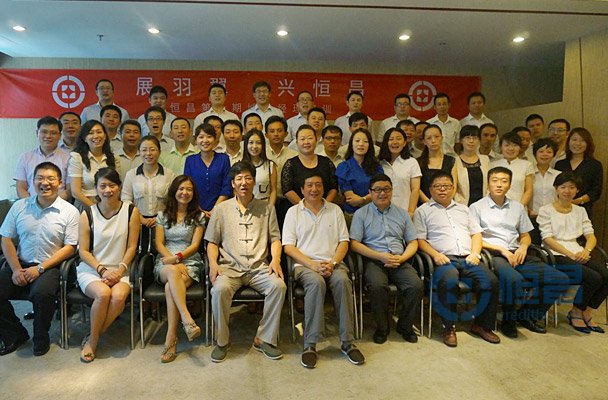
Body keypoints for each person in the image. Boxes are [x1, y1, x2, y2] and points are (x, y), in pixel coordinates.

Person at [469, 167, 569, 338]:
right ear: (488, 183)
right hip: (493, 255)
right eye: (495, 180)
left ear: (509, 185)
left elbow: (525, 235)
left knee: (560, 279)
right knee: (514, 280)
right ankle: (508, 321)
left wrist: (523, 247)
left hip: (518, 252)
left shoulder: (517, 207)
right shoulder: (476, 207)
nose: (499, 185)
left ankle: (527, 316)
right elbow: (474, 237)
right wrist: (501, 250)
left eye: (504, 181)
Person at [205, 161, 286, 362]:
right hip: (229, 268)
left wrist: (275, 260)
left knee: (278, 286)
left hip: (259, 268)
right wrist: (213, 264)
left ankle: (264, 339)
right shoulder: (221, 209)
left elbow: (275, 239)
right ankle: (222, 341)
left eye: (248, 178)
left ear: (254, 181)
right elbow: (212, 241)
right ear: (233, 183)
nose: (244, 182)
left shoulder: (267, 208)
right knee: (219, 290)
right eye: (239, 179)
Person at [283, 173, 364, 368]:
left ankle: (347, 342)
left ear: (323, 188)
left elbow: (344, 242)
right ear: (302, 189)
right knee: (316, 282)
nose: (314, 189)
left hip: (333, 263)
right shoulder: (293, 212)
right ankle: (310, 344)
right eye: (309, 185)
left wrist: (333, 263)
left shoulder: (335, 210)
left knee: (342, 281)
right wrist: (312, 265)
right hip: (305, 265)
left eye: (318, 185)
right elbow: (288, 247)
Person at [0, 162, 79, 356]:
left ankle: (41, 337)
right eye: (40, 178)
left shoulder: (70, 211)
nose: (45, 183)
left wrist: (40, 268)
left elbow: (71, 247)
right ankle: (15, 334)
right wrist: (16, 269)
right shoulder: (19, 206)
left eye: (51, 178)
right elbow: (6, 239)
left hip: (51, 266)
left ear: (60, 183)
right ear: (32, 181)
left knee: (41, 294)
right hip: (20, 263)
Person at [414, 171, 499, 347]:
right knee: (449, 281)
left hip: (468, 258)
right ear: (430, 189)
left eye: (446, 186)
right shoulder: (423, 211)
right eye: (437, 186)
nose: (442, 189)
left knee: (491, 281)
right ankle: (449, 327)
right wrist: (435, 255)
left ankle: (482, 325)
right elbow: (420, 240)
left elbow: (476, 234)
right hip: (442, 259)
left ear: (453, 188)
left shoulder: (464, 209)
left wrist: (475, 253)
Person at [77, 168, 140, 362]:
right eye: (102, 186)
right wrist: (102, 270)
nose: (107, 190)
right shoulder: (87, 213)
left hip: (121, 268)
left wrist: (119, 270)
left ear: (119, 187)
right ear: (96, 189)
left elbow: (132, 247)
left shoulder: (131, 211)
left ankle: (93, 335)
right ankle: (93, 341)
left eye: (112, 185)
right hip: (92, 269)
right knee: (103, 294)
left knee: (118, 297)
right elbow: (83, 251)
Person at [350, 174, 422, 344]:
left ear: (391, 191)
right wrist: (380, 256)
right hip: (374, 259)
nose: (382, 193)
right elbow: (354, 244)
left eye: (386, 189)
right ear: (370, 192)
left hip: (399, 260)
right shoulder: (361, 214)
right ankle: (382, 328)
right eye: (377, 190)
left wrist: (402, 258)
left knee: (416, 285)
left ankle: (405, 326)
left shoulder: (402, 214)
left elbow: (413, 241)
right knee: (377, 286)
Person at [537, 172, 608, 334]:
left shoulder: (580, 211)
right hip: (555, 254)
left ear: (577, 190)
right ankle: (576, 311)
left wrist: (586, 251)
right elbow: (547, 238)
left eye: (572, 187)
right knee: (593, 277)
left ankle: (587, 311)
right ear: (556, 189)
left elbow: (590, 235)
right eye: (563, 187)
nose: (567, 191)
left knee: (606, 275)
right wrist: (570, 254)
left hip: (578, 252)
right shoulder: (546, 210)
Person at [153, 175, 205, 363]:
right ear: (174, 191)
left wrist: (179, 258)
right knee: (172, 272)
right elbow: (159, 243)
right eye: (181, 189)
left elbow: (195, 245)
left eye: (189, 189)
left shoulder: (199, 216)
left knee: (170, 288)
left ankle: (171, 337)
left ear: (194, 193)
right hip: (165, 261)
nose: (185, 192)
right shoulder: (162, 215)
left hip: (189, 261)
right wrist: (172, 260)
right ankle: (186, 318)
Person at [122, 135, 176, 251]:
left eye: (152, 149)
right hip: (137, 221)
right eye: (144, 150)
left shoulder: (169, 174)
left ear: (159, 152)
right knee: (138, 251)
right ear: (139, 152)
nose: (148, 153)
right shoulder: (131, 174)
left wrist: (159, 218)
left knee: (160, 252)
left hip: (162, 221)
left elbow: (173, 201)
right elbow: (126, 200)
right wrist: (140, 218)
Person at [14, 116, 70, 201]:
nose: (48, 136)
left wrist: (52, 204)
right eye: (44, 132)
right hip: (31, 205)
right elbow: (20, 187)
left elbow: (69, 190)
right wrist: (32, 204)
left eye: (53, 133)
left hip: (59, 206)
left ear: (60, 136)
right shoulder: (25, 157)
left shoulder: (69, 158)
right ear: (37, 133)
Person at [282, 125, 338, 206]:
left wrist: (324, 206)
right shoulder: (290, 164)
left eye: (310, 138)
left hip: (325, 208)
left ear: (316, 141)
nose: (306, 142)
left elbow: (334, 187)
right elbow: (287, 190)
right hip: (298, 208)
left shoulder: (326, 162)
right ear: (297, 143)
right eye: (302, 139)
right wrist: (305, 207)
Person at [68, 120, 119, 210]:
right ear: (84, 138)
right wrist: (96, 210)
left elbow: (117, 186)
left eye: (99, 132)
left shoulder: (114, 158)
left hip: (109, 206)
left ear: (105, 136)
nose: (96, 136)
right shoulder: (77, 158)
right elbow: (75, 192)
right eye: (91, 133)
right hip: (85, 206)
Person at [184, 123, 231, 217]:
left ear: (215, 139)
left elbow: (226, 187)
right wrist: (199, 210)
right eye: (201, 137)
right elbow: (187, 186)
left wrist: (215, 209)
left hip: (221, 210)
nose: (205, 140)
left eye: (209, 137)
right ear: (196, 140)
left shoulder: (224, 159)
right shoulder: (190, 160)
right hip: (195, 211)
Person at [554, 128, 603, 218]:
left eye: (582, 140)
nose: (577, 143)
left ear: (588, 144)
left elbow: (596, 191)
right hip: (560, 209)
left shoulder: (594, 165)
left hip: (584, 209)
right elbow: (556, 186)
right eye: (574, 139)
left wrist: (578, 201)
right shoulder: (560, 164)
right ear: (568, 142)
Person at [336, 128, 383, 215]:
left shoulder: (377, 167)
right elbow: (351, 198)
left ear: (370, 145)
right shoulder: (344, 167)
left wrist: (362, 200)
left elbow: (379, 191)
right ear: (351, 144)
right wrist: (368, 199)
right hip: (352, 214)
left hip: (375, 213)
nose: (361, 144)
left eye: (365, 141)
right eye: (357, 141)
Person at [378, 127, 421, 217]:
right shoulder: (379, 163)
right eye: (391, 139)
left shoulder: (411, 162)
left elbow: (415, 189)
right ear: (386, 142)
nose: (395, 142)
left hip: (405, 211)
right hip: (382, 213)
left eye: (398, 139)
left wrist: (410, 212)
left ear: (404, 143)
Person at [265, 116, 298, 227]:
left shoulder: (294, 155)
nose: (276, 134)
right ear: (266, 135)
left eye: (279, 131)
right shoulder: (261, 154)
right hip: (266, 202)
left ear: (286, 133)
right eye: (272, 131)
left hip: (287, 202)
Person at [490, 131, 534, 207]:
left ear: (520, 147)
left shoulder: (527, 165)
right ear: (501, 147)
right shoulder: (492, 165)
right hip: (495, 207)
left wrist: (519, 207)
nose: (511, 148)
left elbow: (529, 190)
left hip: (519, 206)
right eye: (507, 145)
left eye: (515, 145)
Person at [417, 124, 457, 203]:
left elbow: (454, 186)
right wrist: (430, 203)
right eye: (429, 138)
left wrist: (445, 202)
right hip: (424, 205)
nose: (433, 141)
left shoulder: (451, 161)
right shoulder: (418, 162)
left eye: (436, 137)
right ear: (424, 141)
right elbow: (417, 188)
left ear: (442, 138)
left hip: (446, 204)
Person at [530, 138, 560, 244]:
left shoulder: (559, 175)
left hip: (553, 219)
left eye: (549, 152)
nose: (545, 154)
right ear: (535, 154)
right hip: (532, 218)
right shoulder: (528, 173)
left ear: (554, 155)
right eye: (541, 151)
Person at [454, 125, 490, 206]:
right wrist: (460, 203)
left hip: (484, 205)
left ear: (479, 140)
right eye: (467, 137)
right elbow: (453, 187)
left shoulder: (485, 159)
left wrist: (486, 202)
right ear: (461, 140)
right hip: (462, 205)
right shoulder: (454, 161)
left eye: (475, 138)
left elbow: (489, 184)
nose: (471, 141)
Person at [242, 129, 277, 206]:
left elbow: (273, 190)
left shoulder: (270, 165)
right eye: (251, 142)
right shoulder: (240, 166)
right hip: (245, 206)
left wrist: (270, 208)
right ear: (246, 145)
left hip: (264, 206)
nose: (254, 146)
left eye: (258, 143)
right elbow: (235, 191)